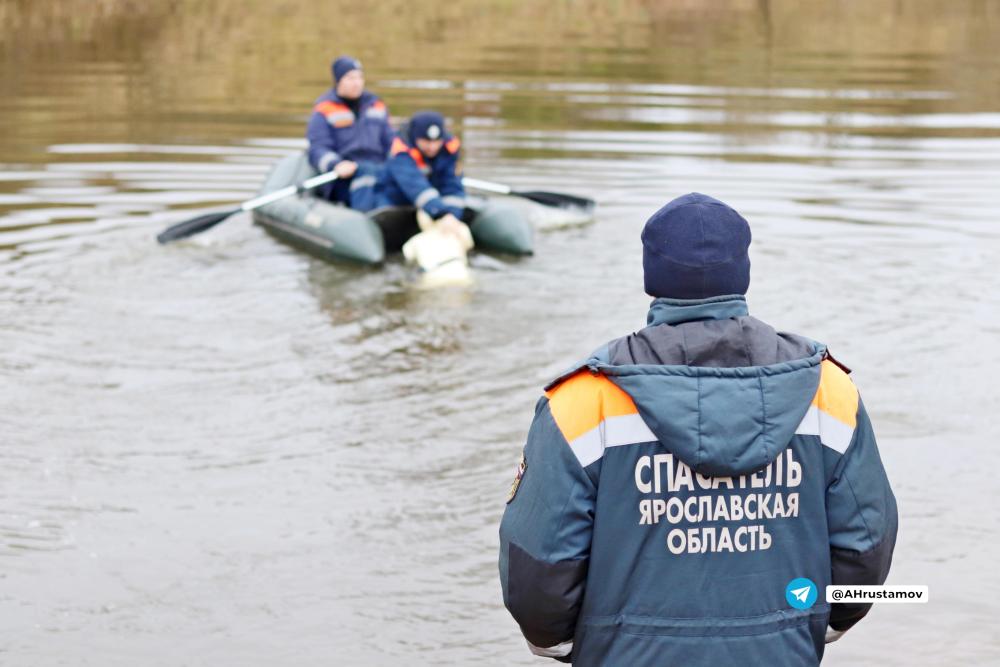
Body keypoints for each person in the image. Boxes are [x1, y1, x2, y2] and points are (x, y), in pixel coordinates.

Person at [498, 193, 898, 666]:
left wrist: (573, 644)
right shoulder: (829, 392)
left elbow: (540, 568)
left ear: (651, 275)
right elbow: (866, 546)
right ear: (743, 271)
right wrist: (811, 623)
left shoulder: (582, 402)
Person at [374, 110, 473, 248]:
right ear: (415, 137)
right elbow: (415, 187)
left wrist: (452, 216)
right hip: (395, 202)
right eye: (426, 142)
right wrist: (442, 214)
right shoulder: (399, 151)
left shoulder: (449, 149)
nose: (432, 147)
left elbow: (453, 186)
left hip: (431, 205)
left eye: (436, 141)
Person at [306, 56, 393, 210]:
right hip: (346, 175)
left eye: (360, 77)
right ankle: (367, 215)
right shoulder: (324, 110)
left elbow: (391, 141)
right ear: (338, 81)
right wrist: (336, 164)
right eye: (350, 78)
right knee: (366, 172)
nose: (357, 83)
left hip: (378, 170)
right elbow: (318, 148)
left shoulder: (376, 105)